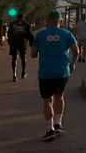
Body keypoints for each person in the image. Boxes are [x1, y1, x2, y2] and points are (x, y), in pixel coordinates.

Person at [32, 11, 78, 141]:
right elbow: (76, 51)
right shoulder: (67, 34)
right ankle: (58, 123)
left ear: (47, 21)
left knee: (47, 100)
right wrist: (73, 64)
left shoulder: (40, 35)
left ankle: (49, 129)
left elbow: (33, 54)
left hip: (45, 72)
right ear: (60, 21)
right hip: (62, 71)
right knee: (59, 96)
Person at [7, 12, 34, 82]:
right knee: (23, 57)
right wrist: (32, 44)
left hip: (14, 43)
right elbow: (30, 35)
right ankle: (23, 72)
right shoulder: (26, 25)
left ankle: (14, 75)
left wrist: (9, 41)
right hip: (23, 43)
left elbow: (9, 33)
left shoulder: (12, 24)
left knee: (14, 58)